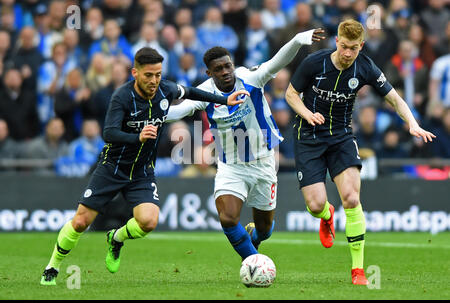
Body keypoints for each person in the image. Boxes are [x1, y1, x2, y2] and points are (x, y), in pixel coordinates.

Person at [40, 47, 248, 285]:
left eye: (158, 74)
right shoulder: (122, 97)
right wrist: (137, 137)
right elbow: (109, 133)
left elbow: (191, 92)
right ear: (135, 73)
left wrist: (224, 99)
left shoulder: (165, 89)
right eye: (149, 75)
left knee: (148, 221)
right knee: (80, 222)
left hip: (142, 171)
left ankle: (116, 238)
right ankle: (52, 267)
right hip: (112, 167)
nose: (154, 80)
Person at [285, 19, 435, 285]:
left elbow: (394, 98)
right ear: (336, 42)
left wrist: (412, 124)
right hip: (308, 136)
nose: (347, 53)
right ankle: (327, 215)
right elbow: (291, 94)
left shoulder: (365, 67)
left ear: (361, 46)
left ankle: (358, 270)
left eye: (353, 48)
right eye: (343, 46)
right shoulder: (313, 63)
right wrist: (308, 114)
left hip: (342, 136)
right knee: (315, 204)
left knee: (352, 199)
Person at [166, 29, 325, 261]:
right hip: (231, 167)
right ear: (209, 73)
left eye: (227, 66)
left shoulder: (250, 79)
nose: (225, 72)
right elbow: (178, 110)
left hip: (263, 163)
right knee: (228, 218)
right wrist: (149, 115)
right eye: (218, 69)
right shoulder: (204, 92)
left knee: (264, 230)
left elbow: (276, 62)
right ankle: (253, 261)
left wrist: (298, 40)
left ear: (232, 64)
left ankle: (255, 240)